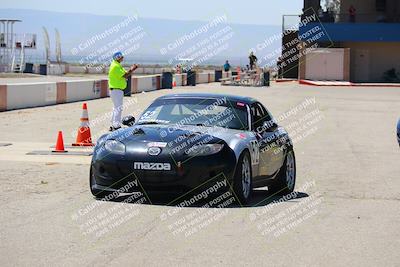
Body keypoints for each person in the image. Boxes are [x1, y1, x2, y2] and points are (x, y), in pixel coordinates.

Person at [108, 51, 138, 131]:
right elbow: (125, 75)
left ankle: (113, 124)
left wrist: (130, 70)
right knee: (118, 108)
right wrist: (132, 69)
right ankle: (116, 125)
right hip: (116, 90)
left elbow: (126, 73)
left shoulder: (117, 65)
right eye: (121, 57)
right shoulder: (115, 66)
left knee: (116, 108)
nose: (122, 58)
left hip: (116, 90)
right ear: (117, 57)